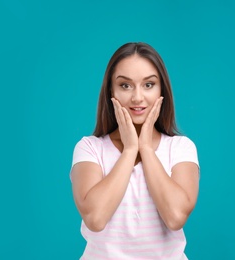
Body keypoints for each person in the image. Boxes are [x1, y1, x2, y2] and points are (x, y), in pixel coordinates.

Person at [70, 42, 200, 259]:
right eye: (125, 85)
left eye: (148, 85)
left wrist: (146, 148)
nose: (137, 98)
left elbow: (175, 216)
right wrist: (130, 150)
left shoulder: (181, 148)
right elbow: (95, 218)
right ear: (111, 90)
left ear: (162, 90)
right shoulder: (89, 148)